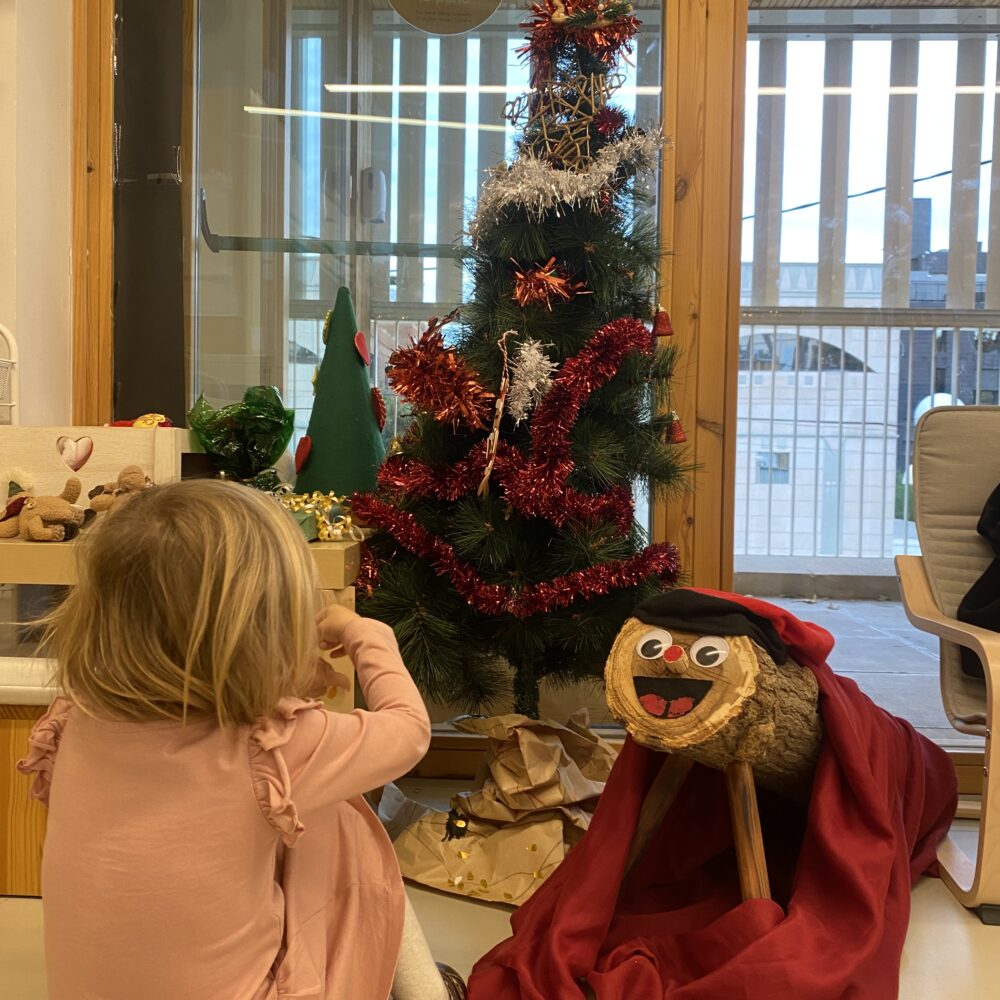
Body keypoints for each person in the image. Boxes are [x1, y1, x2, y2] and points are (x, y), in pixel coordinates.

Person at [18, 479, 461, 1000]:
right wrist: (368, 634)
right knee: (342, 819)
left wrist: (281, 683)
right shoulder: (268, 748)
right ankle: (424, 991)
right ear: (263, 632)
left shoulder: (73, 719)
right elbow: (408, 731)